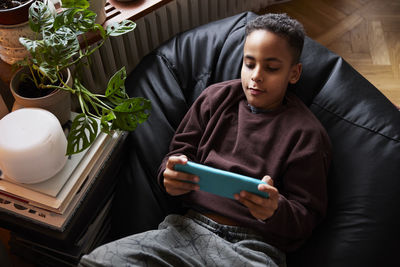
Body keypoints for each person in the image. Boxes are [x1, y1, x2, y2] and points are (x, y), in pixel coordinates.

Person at [79, 13, 331, 267]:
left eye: (272, 68)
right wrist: (170, 176)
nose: (256, 76)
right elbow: (177, 155)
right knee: (97, 261)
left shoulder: (307, 134)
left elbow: (306, 217)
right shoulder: (215, 99)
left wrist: (276, 210)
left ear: (294, 73)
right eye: (249, 63)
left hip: (251, 248)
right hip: (183, 231)